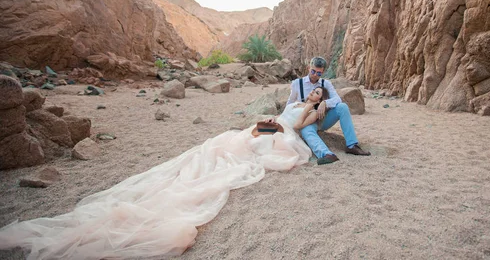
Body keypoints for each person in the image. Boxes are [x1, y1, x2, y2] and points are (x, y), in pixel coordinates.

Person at [0, 98, 320, 260]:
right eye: (314, 88)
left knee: (254, 145)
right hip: (273, 124)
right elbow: (280, 117)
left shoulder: (310, 110)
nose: (315, 92)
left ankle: (256, 136)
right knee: (228, 144)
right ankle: (253, 135)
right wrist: (270, 121)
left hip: (283, 131)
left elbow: (299, 130)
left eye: (319, 93)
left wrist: (302, 117)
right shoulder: (294, 99)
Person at [287, 56, 370, 165]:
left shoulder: (326, 83)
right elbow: (290, 103)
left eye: (319, 73)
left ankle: (351, 145)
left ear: (323, 72)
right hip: (306, 120)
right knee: (306, 130)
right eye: (313, 71)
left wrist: (325, 103)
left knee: (342, 107)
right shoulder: (297, 84)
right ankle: (327, 154)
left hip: (323, 118)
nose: (315, 75)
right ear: (308, 68)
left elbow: (337, 99)